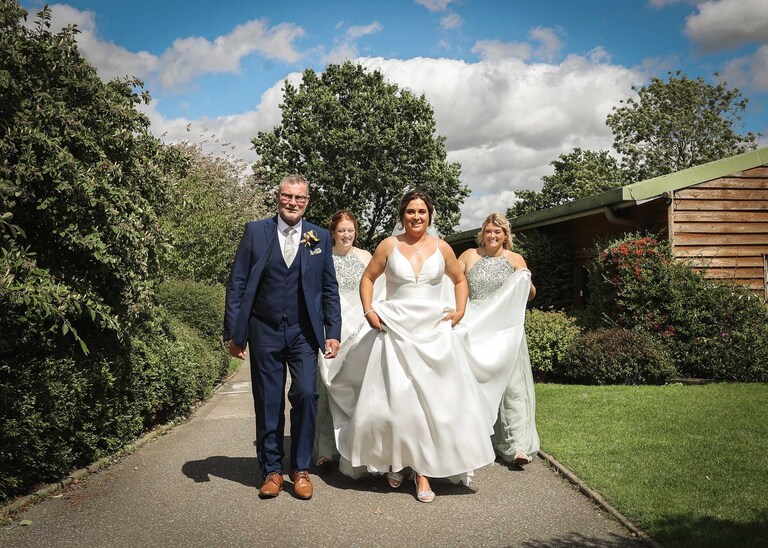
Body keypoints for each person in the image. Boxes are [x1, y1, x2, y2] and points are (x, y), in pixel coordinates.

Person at [328, 190, 526, 503]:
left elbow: (460, 280)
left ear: (429, 215)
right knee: (396, 405)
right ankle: (396, 460)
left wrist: (459, 312)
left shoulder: (442, 247)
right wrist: (369, 311)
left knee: (433, 407)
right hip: (394, 331)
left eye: (421, 212)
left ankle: (422, 472)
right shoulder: (388, 246)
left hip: (435, 334)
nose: (416, 217)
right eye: (410, 212)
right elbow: (368, 279)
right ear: (402, 215)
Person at [224, 174, 342, 500]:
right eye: (288, 197)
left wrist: (333, 332)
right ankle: (272, 470)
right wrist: (236, 333)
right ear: (278, 197)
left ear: (307, 202)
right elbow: (237, 284)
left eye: (300, 198)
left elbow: (328, 288)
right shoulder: (255, 231)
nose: (293, 203)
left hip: (304, 332)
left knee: (306, 393)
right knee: (269, 400)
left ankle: (300, 468)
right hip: (264, 329)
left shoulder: (318, 236)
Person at [459, 212, 540, 467]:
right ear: (482, 234)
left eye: (498, 232)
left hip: (504, 330)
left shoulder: (515, 259)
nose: (492, 236)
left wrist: (525, 279)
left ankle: (517, 446)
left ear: (506, 235)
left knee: (512, 386)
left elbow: (531, 295)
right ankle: (474, 442)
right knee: (474, 384)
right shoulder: (469, 256)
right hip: (475, 327)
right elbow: (454, 283)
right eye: (488, 231)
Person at [314, 210, 372, 470]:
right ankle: (325, 449)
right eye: (341, 231)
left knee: (356, 387)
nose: (346, 235)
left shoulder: (366, 257)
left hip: (359, 326)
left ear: (355, 231)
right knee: (326, 385)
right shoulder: (322, 256)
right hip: (332, 325)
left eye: (350, 230)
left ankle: (354, 448)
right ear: (333, 233)